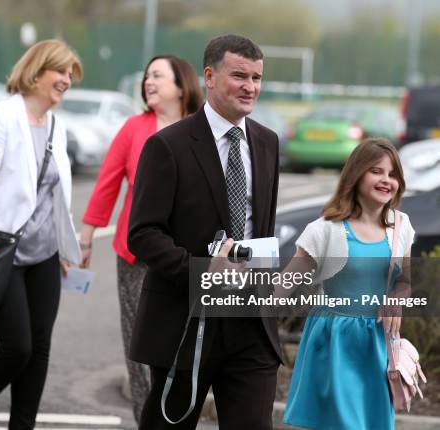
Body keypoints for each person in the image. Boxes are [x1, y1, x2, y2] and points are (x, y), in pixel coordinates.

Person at [127, 34, 283, 429]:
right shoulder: (167, 146)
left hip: (250, 322)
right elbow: (143, 234)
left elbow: (259, 226)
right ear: (209, 76)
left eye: (257, 78)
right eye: (239, 76)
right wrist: (202, 270)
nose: (250, 87)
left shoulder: (267, 143)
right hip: (185, 321)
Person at [0, 39, 82, 430]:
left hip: (45, 253)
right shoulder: (1, 116)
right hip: (2, 250)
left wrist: (67, 244)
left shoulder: (56, 126)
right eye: (59, 72)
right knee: (17, 348)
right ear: (36, 71)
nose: (66, 80)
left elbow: (57, 195)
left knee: (40, 350)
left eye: (69, 75)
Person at [79, 54, 203, 422]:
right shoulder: (134, 128)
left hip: (186, 256)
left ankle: (175, 416)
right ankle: (144, 419)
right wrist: (86, 237)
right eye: (147, 76)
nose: (149, 82)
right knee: (140, 345)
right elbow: (107, 183)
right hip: (137, 256)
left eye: (158, 77)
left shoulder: (201, 130)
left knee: (182, 343)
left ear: (182, 85)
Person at [280, 138, 413, 430]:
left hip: (378, 344)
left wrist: (398, 297)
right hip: (334, 341)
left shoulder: (402, 226)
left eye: (392, 174)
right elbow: (281, 288)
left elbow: (405, 281)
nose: (386, 180)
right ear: (356, 174)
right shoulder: (324, 230)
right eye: (376, 171)